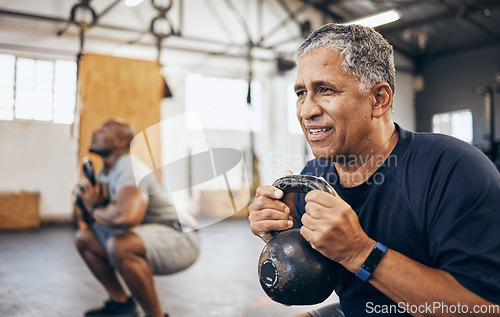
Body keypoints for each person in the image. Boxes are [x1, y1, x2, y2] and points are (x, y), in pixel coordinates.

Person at [248, 23, 500, 317]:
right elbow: (304, 291)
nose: (306, 111)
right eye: (301, 93)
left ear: (379, 99)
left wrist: (359, 252)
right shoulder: (313, 181)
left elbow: (485, 310)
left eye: (325, 90)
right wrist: (284, 238)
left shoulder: (453, 169)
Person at [75, 118, 200, 317]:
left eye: (103, 129)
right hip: (151, 235)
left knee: (121, 244)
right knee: (85, 238)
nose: (94, 132)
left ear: (118, 142)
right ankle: (121, 305)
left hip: (181, 237)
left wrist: (93, 208)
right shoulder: (104, 173)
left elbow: (127, 217)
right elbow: (87, 220)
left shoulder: (129, 170)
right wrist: (84, 201)